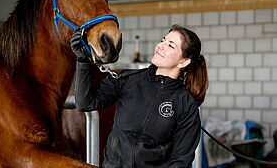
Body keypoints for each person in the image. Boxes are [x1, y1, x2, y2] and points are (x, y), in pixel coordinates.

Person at [71, 24, 208, 168]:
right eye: (163, 40)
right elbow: (85, 103)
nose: (161, 46)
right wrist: (83, 61)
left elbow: (181, 160)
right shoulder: (129, 80)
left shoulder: (185, 104)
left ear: (183, 61)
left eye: (170, 46)